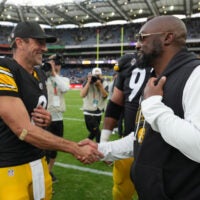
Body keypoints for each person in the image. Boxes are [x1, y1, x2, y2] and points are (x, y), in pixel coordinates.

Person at [79, 15, 200, 200]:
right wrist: (102, 148)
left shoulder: (195, 76)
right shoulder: (156, 78)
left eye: (142, 37)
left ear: (167, 38)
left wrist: (152, 105)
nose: (137, 45)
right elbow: (143, 136)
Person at [0, 21, 102, 200]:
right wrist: (74, 148)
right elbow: (23, 129)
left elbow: (33, 119)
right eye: (38, 42)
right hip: (10, 164)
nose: (44, 48)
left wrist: (46, 120)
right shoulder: (4, 69)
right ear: (19, 42)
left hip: (39, 159)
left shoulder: (38, 74)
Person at [100, 54, 150, 200]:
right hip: (129, 142)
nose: (139, 44)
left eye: (143, 38)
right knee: (121, 190)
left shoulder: (172, 63)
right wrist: (104, 141)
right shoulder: (128, 63)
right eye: (139, 39)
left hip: (158, 147)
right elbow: (115, 103)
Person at [45, 54, 70, 183]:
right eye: (52, 63)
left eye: (57, 63)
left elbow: (65, 88)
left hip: (58, 118)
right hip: (45, 118)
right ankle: (44, 173)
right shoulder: (43, 78)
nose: (55, 65)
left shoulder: (63, 79)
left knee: (55, 147)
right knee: (44, 148)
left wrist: (54, 73)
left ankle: (48, 171)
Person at [80, 67, 108, 142]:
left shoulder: (104, 83)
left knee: (93, 133)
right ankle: (100, 149)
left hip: (98, 112)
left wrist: (100, 85)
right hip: (89, 112)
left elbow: (105, 96)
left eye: (98, 75)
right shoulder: (87, 82)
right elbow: (82, 95)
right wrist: (89, 82)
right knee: (98, 133)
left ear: (101, 75)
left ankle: (83, 146)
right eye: (95, 75)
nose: (96, 77)